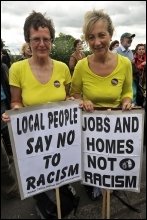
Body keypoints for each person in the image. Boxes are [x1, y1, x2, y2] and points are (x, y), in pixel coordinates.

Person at [2, 11, 78, 218]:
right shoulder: (17, 68)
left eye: (46, 39)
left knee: (61, 184)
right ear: (28, 41)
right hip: (35, 142)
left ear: (51, 41)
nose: (42, 44)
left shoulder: (63, 69)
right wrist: (15, 112)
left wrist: (72, 102)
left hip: (62, 142)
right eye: (36, 39)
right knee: (42, 186)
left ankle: (64, 208)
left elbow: (69, 97)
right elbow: (16, 101)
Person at [70, 9, 133, 200]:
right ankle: (93, 185)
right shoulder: (81, 66)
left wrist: (127, 101)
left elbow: (127, 91)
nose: (97, 42)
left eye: (101, 35)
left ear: (110, 35)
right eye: (91, 37)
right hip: (89, 130)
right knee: (93, 165)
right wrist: (83, 101)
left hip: (116, 129)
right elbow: (74, 95)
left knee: (111, 163)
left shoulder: (125, 63)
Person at [1, 39, 19, 199]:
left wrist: (12, 109)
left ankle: (11, 186)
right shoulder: (16, 68)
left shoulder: (3, 67)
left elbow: (11, 95)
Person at [113, 32, 137, 104]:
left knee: (130, 97)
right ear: (121, 40)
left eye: (131, 38)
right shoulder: (115, 51)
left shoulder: (130, 52)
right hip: (117, 80)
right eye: (128, 38)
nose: (130, 40)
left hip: (129, 79)